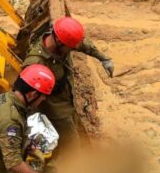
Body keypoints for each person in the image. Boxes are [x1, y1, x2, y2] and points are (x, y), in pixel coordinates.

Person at [22, 16, 113, 157]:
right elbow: (24, 95)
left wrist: (104, 59)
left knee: (73, 139)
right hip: (56, 111)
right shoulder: (36, 62)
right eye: (70, 47)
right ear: (58, 41)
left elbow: (83, 44)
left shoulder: (63, 43)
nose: (73, 49)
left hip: (69, 101)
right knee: (72, 147)